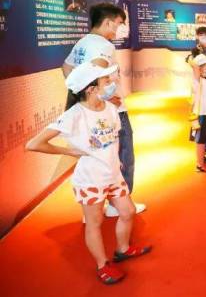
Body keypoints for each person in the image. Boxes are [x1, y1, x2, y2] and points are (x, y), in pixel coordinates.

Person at [26, 62, 151, 284]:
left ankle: (123, 249)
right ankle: (103, 265)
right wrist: (69, 151)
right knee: (95, 223)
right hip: (91, 180)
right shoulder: (74, 115)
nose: (111, 83)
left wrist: (116, 162)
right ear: (91, 88)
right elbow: (34, 144)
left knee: (128, 211)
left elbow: (112, 140)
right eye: (106, 80)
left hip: (113, 175)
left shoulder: (111, 108)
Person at [62, 3, 145, 217]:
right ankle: (119, 204)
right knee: (123, 155)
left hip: (89, 110)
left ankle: (94, 207)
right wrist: (103, 98)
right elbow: (96, 70)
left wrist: (85, 96)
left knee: (95, 156)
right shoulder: (104, 46)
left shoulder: (83, 42)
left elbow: (67, 67)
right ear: (108, 22)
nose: (119, 29)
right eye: (118, 23)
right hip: (111, 112)